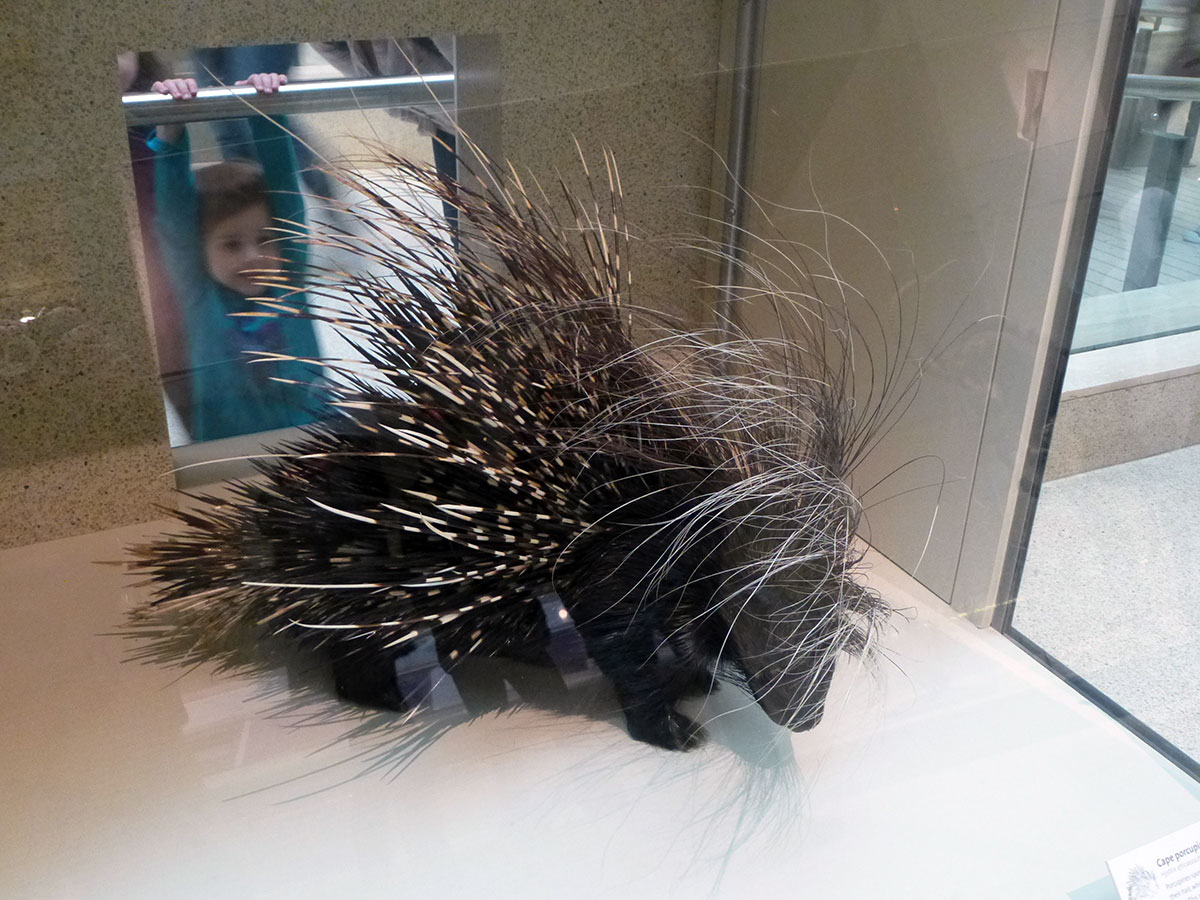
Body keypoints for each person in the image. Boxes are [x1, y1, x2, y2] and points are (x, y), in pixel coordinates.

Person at [149, 72, 323, 442]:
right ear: (201, 249)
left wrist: (267, 110)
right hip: (230, 455)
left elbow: (285, 190)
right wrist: (171, 129)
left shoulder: (288, 277)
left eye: (265, 239)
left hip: (314, 442)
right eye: (231, 245)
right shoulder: (199, 295)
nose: (253, 256)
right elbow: (176, 218)